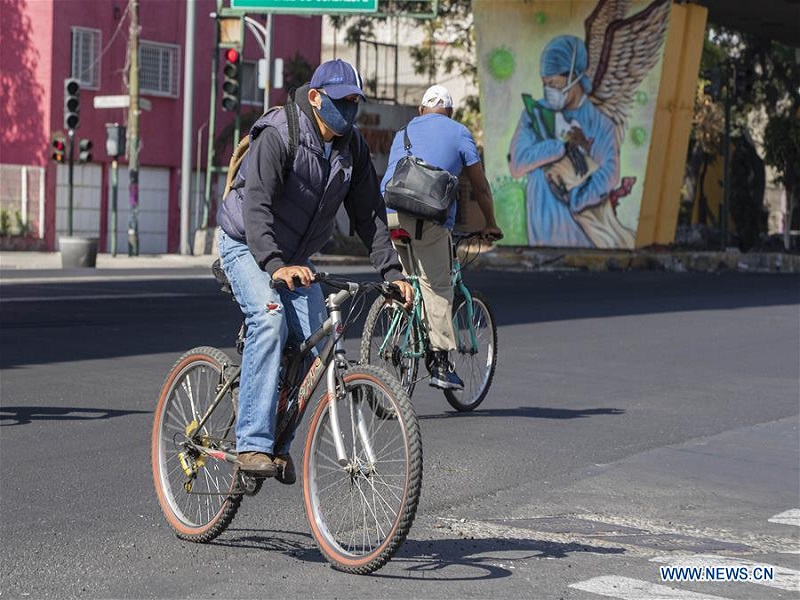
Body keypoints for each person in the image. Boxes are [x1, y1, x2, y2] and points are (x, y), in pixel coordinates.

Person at [216, 59, 413, 481]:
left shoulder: (352, 147)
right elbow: (257, 208)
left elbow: (370, 216)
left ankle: (278, 444)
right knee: (269, 319)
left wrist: (391, 273)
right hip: (245, 243)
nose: (350, 111)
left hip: (292, 257)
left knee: (319, 339)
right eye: (342, 102)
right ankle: (252, 443)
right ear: (315, 97)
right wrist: (275, 264)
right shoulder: (279, 133)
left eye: (356, 102)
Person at [380, 84, 503, 390]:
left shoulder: (403, 132)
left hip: (392, 213)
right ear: (450, 113)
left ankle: (397, 329)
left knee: (406, 280)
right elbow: (480, 186)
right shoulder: (459, 132)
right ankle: (440, 364)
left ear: (421, 111)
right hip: (427, 218)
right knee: (437, 286)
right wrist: (490, 223)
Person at [508, 35, 620, 247]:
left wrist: (577, 198)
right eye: (545, 83)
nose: (548, 90)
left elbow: (610, 172)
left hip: (583, 236)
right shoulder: (535, 115)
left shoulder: (600, 124)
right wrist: (559, 148)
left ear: (574, 76)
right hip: (539, 233)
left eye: (553, 83)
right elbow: (518, 163)